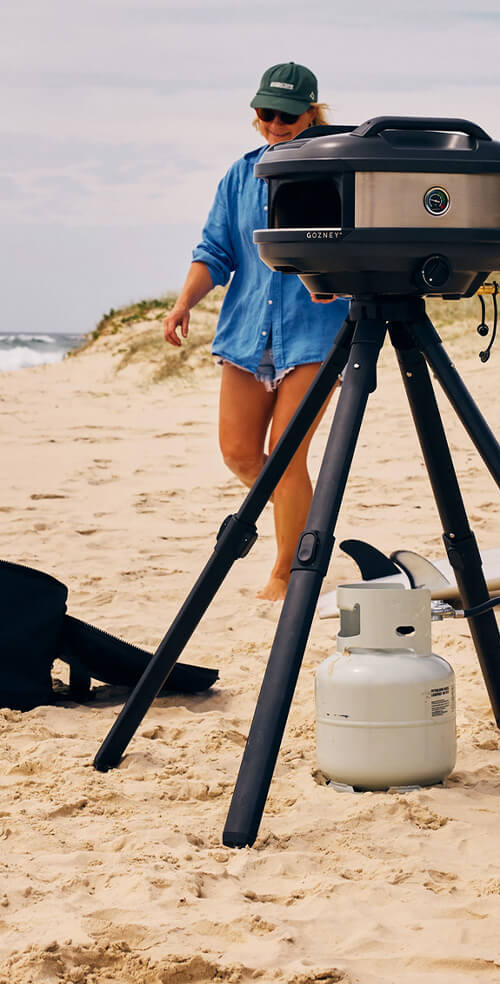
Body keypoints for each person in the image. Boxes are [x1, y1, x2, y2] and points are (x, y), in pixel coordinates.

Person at [161, 62, 348, 601]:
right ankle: (306, 524)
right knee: (241, 454)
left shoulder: (340, 170)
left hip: (316, 334)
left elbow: (356, 245)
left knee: (287, 455)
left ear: (312, 113)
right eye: (266, 113)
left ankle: (289, 572)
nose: (275, 123)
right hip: (246, 333)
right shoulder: (239, 176)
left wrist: (332, 279)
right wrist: (182, 303)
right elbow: (215, 251)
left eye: (288, 114)